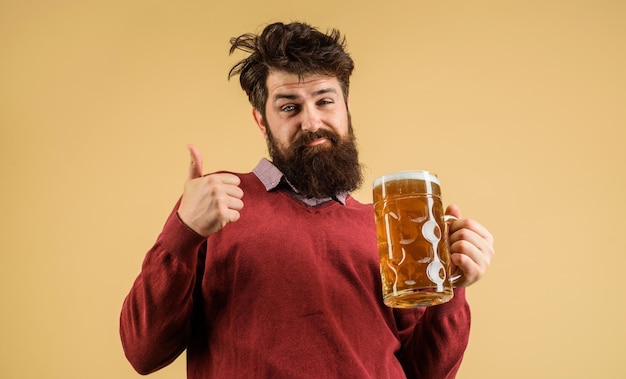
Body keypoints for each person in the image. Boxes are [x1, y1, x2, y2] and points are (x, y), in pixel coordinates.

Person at [120, 21, 495, 379]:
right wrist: (183, 232)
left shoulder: (389, 230)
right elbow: (144, 352)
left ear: (346, 108)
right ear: (261, 121)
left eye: (325, 101)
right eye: (289, 107)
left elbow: (423, 373)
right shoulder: (216, 205)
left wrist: (452, 288)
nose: (312, 122)